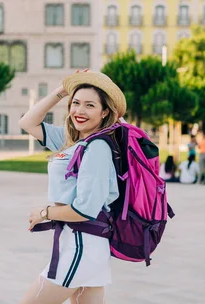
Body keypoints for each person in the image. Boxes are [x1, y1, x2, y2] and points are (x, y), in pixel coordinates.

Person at [18, 69, 127, 304]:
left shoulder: (97, 147)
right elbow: (27, 122)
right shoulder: (74, 142)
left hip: (82, 244)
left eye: (89, 105)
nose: (79, 110)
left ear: (104, 111)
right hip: (82, 243)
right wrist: (61, 91)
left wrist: (44, 213)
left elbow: (85, 209)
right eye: (75, 103)